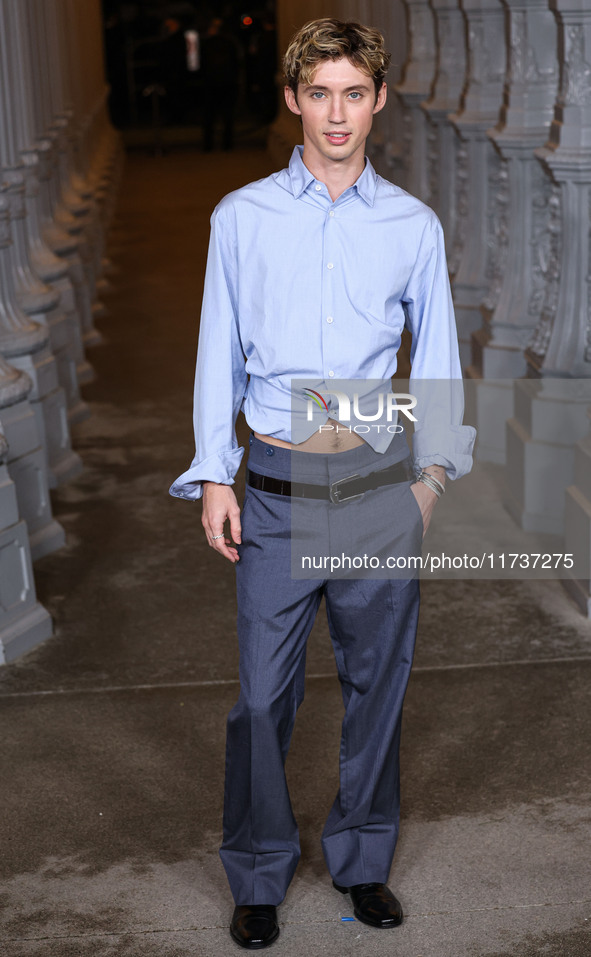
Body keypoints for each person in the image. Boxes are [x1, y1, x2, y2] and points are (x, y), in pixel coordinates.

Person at [170, 18, 475, 950]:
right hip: (276, 488)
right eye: (320, 92)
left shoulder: (409, 225)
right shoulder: (241, 216)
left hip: (379, 483)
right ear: (294, 98)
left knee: (378, 683)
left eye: (355, 93)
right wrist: (214, 473)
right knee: (263, 697)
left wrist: (428, 477)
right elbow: (216, 351)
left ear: (377, 100)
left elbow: (438, 363)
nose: (336, 113)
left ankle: (362, 860)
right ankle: (259, 868)